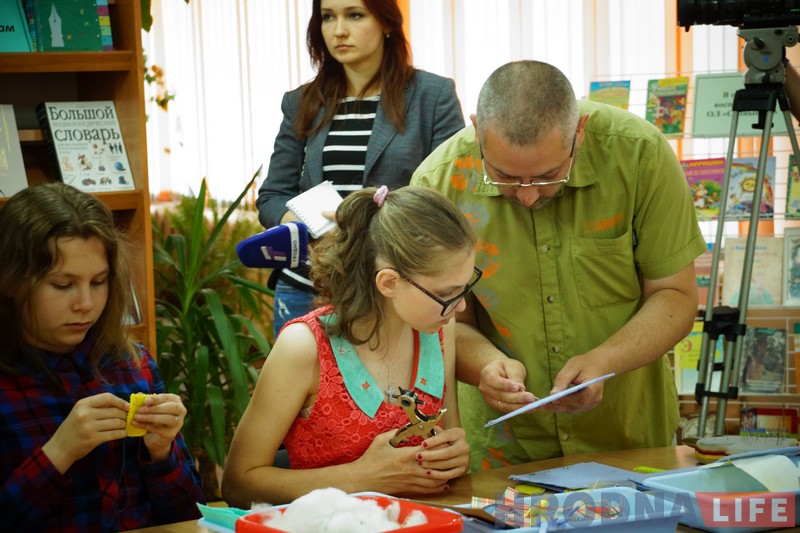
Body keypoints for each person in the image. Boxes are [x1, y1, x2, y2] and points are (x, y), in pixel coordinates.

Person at [411, 60, 707, 470]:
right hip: (503, 448)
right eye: (505, 178)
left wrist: (606, 361)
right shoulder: (437, 184)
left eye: (549, 176)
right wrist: (486, 366)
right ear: (477, 132)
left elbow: (674, 295)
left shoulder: (640, 155)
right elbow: (444, 322)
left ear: (579, 132)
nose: (528, 196)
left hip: (626, 435)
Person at [222, 186, 476, 506]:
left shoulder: (439, 330)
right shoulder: (304, 347)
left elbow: (446, 440)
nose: (462, 307)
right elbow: (238, 484)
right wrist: (361, 478)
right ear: (389, 283)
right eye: (448, 293)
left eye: (466, 286)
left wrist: (454, 458)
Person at [0, 183, 204, 530]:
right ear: (12, 281)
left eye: (99, 282)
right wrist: (59, 452)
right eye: (62, 285)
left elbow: (187, 514)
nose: (86, 303)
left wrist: (162, 451)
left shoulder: (130, 362)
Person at [256, 0, 465, 339]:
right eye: (327, 17)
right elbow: (272, 196)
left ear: (386, 23)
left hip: (394, 286)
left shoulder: (432, 95)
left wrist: (362, 217)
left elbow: (447, 194)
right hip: (307, 286)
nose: (338, 30)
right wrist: (307, 220)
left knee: (395, 392)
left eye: (355, 15)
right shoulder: (301, 102)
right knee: (305, 391)